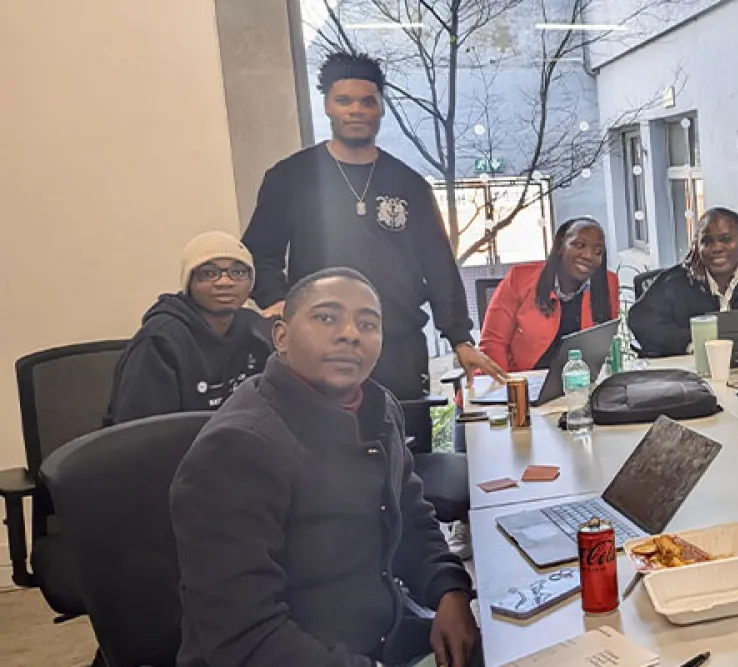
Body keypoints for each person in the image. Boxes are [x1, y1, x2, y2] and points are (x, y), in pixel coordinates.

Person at [171, 268, 479, 667]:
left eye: (367, 324)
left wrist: (450, 591)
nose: (350, 334)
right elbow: (245, 639)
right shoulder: (237, 449)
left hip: (382, 635)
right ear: (281, 337)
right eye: (326, 317)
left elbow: (411, 520)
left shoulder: (378, 408)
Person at [241, 50, 504, 406]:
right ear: (328, 106)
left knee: (404, 436)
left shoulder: (409, 184)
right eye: (344, 101)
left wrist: (460, 338)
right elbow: (258, 253)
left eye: (367, 101)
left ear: (380, 107)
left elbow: (438, 266)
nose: (356, 110)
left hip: (396, 344)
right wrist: (280, 303)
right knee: (322, 437)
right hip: (319, 346)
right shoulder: (291, 176)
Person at [103, 231, 272, 426]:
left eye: (239, 272)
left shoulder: (256, 330)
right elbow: (143, 434)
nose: (225, 282)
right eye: (209, 273)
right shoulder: (159, 340)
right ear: (189, 282)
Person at [631, 207, 738, 357]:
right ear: (697, 246)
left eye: (726, 239)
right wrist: (693, 342)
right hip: (688, 373)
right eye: (707, 241)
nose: (716, 248)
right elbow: (640, 321)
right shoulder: (675, 281)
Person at [479, 217, 619, 372]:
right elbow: (493, 343)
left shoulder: (607, 284)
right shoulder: (519, 279)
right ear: (560, 246)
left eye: (598, 251)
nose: (588, 255)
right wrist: (507, 383)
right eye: (579, 245)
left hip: (579, 380)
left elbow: (605, 343)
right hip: (523, 379)